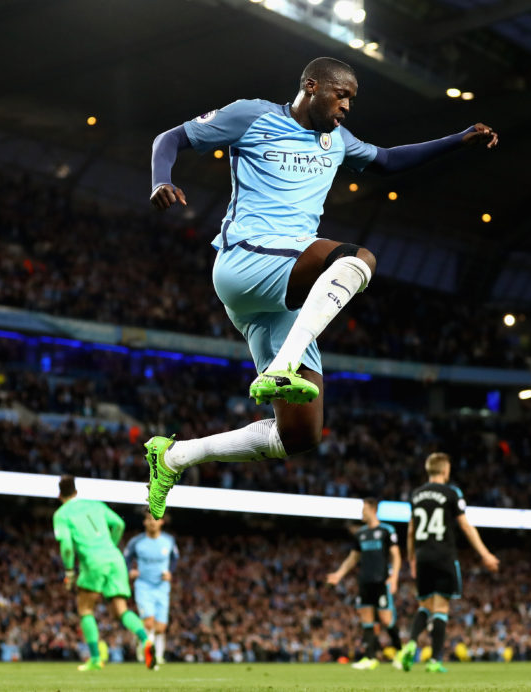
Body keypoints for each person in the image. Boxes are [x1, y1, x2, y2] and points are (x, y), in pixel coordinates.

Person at [144, 56, 499, 519]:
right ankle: (283, 365)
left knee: (299, 437)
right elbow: (169, 138)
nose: (347, 106)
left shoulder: (337, 142)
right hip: (247, 259)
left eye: (351, 98)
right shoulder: (251, 115)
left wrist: (458, 140)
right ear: (312, 86)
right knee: (358, 258)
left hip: (283, 291)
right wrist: (161, 180)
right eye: (342, 94)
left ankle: (173, 456)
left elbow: (388, 160)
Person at [398, 453, 499, 673]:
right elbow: (465, 526)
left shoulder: (416, 495)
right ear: (445, 470)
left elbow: (411, 530)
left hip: (423, 556)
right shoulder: (452, 493)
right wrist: (485, 553)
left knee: (424, 605)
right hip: (443, 555)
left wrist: (412, 558)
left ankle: (412, 642)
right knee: (441, 608)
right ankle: (435, 660)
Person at [52, 475, 155, 671]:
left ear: (59, 495)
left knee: (85, 609)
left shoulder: (61, 514)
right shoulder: (96, 504)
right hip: (115, 558)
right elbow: (119, 524)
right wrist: (111, 546)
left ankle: (96, 659)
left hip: (93, 560)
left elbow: (66, 546)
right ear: (76, 491)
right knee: (121, 610)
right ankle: (146, 641)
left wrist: (69, 571)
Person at [326, 497, 403, 670]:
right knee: (367, 620)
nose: (361, 512)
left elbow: (396, 555)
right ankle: (370, 658)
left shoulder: (386, 530)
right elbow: (353, 558)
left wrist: (395, 577)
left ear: (373, 509)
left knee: (386, 619)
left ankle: (400, 652)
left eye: (364, 509)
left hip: (381, 581)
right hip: (365, 581)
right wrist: (339, 574)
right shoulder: (360, 534)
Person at [124, 509, 179, 665]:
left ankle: (152, 648)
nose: (152, 522)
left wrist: (170, 572)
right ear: (145, 522)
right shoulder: (137, 542)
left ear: (161, 521)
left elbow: (175, 559)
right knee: (149, 622)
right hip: (143, 586)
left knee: (160, 628)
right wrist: (130, 571)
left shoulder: (169, 541)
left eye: (155, 519)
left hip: (162, 587)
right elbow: (126, 558)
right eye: (149, 519)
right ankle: (149, 653)